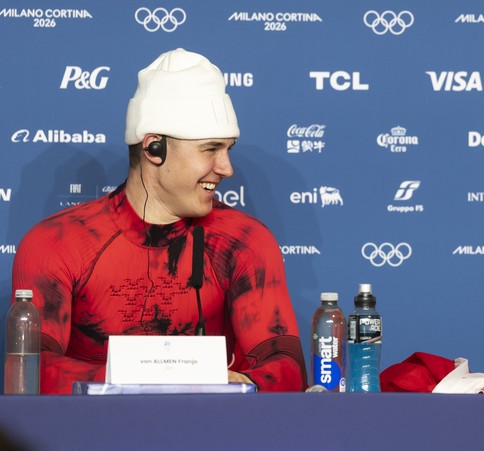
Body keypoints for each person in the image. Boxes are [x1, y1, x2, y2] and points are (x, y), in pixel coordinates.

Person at [11, 48, 306, 394]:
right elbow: (30, 371)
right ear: (154, 148)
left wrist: (240, 382)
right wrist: (161, 379)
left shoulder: (243, 240)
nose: (227, 168)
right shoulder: (58, 242)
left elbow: (287, 368)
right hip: (94, 431)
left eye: (229, 149)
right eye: (210, 149)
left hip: (211, 428)